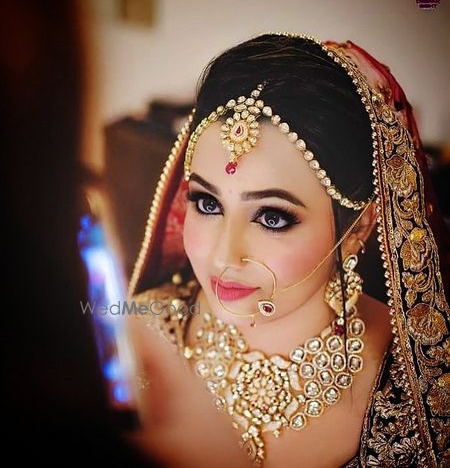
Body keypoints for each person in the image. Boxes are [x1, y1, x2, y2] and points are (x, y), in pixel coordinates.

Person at [125, 33, 450, 468]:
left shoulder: (423, 395)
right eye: (207, 203)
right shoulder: (140, 340)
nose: (224, 256)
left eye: (272, 217)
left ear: (360, 227)